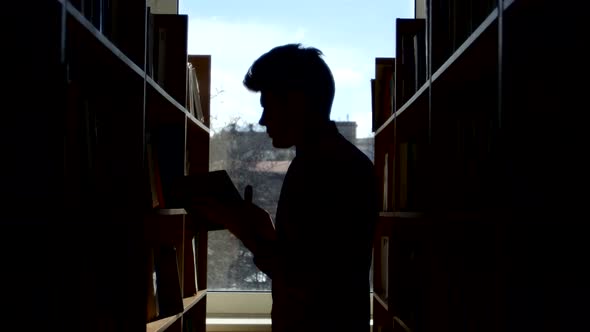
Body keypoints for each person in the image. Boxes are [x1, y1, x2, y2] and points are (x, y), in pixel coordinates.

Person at [197, 43, 377, 332]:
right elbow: (311, 259)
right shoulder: (327, 162)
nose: (263, 120)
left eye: (268, 105)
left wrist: (243, 230)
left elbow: (306, 280)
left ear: (296, 103)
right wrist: (265, 231)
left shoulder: (328, 169)